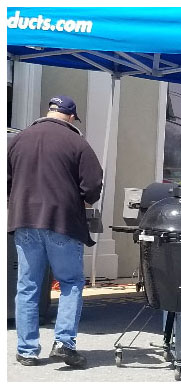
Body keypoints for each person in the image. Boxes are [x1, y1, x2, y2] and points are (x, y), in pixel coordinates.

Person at [8, 95, 103, 368]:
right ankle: (64, 344)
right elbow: (93, 185)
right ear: (71, 116)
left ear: (49, 112)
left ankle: (26, 350)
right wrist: (81, 198)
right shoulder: (77, 142)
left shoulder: (20, 139)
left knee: (28, 285)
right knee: (71, 282)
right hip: (63, 221)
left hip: (24, 219)